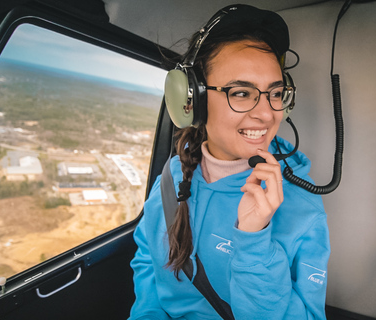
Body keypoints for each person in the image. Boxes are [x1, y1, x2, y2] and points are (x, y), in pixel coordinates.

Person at [129, 4, 330, 320]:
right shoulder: (172, 174)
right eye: (241, 93)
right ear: (192, 99)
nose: (267, 113)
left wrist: (254, 242)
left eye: (275, 93)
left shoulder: (300, 205)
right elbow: (148, 256)